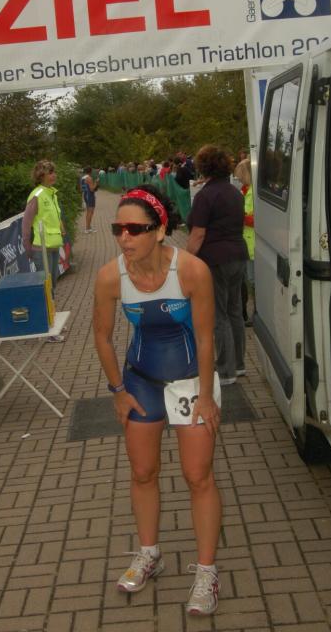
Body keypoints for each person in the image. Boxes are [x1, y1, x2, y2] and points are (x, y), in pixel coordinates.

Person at [93, 185, 222, 616]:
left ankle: (206, 572)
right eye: (118, 229)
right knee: (143, 471)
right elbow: (101, 336)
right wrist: (117, 391)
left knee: (197, 476)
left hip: (190, 383)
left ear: (160, 230)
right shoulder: (111, 276)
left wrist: (207, 396)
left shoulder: (192, 271)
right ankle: (150, 553)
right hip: (142, 381)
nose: (124, 238)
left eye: (135, 229)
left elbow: (206, 339)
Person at [186, 145, 247, 385]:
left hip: (215, 259)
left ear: (203, 167)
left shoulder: (205, 196)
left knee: (218, 315)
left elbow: (198, 233)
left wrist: (186, 260)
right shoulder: (235, 192)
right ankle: (239, 364)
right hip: (238, 255)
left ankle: (225, 371)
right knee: (235, 311)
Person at [22, 160, 66, 342]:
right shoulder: (37, 195)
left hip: (53, 245)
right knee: (45, 288)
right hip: (41, 248)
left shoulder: (52, 193)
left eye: (54, 172)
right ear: (41, 175)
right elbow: (26, 222)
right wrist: (27, 246)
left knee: (52, 285)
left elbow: (54, 216)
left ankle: (51, 320)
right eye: (50, 172)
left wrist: (62, 227)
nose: (54, 175)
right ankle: (46, 328)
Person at [234, 159, 255, 326]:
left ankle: (258, 314)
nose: (238, 178)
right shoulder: (245, 191)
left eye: (240, 175)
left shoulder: (253, 192)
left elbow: (257, 218)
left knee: (254, 281)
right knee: (250, 280)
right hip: (246, 243)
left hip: (253, 243)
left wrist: (239, 216)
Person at [81, 166, 99, 233]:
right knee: (90, 212)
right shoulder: (89, 178)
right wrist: (96, 182)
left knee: (88, 212)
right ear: (90, 171)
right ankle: (87, 228)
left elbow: (81, 188)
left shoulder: (82, 178)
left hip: (85, 195)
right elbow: (92, 189)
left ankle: (88, 227)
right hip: (90, 196)